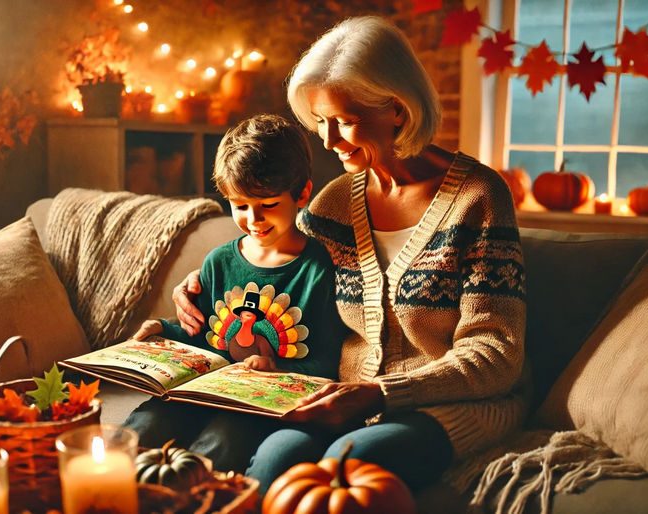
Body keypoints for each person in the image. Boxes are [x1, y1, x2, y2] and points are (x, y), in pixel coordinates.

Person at [173, 16, 528, 494]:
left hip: (449, 405)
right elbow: (275, 259)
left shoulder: (479, 197)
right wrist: (203, 283)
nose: (328, 140)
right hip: (336, 400)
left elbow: (496, 353)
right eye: (320, 121)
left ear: (397, 110)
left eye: (344, 121)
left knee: (343, 466)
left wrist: (378, 393)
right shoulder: (334, 204)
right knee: (276, 458)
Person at [125, 114, 346, 471]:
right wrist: (164, 332)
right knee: (144, 426)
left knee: (222, 441)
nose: (254, 219)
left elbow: (325, 361)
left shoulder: (316, 268)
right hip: (200, 392)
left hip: (256, 404)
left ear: (302, 193)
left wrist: (273, 367)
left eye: (269, 205)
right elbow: (206, 339)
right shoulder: (220, 262)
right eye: (240, 205)